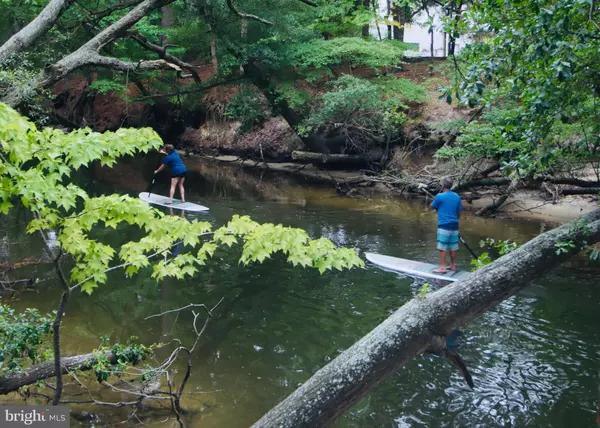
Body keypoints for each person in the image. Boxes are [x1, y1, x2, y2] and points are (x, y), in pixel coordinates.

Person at [431, 176, 462, 273]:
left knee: (442, 246)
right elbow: (459, 211)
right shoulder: (457, 196)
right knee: (453, 246)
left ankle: (443, 267)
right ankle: (453, 265)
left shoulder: (440, 196)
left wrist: (438, 207)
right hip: (454, 224)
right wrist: (456, 219)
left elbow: (432, 206)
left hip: (444, 224)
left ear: (443, 185)